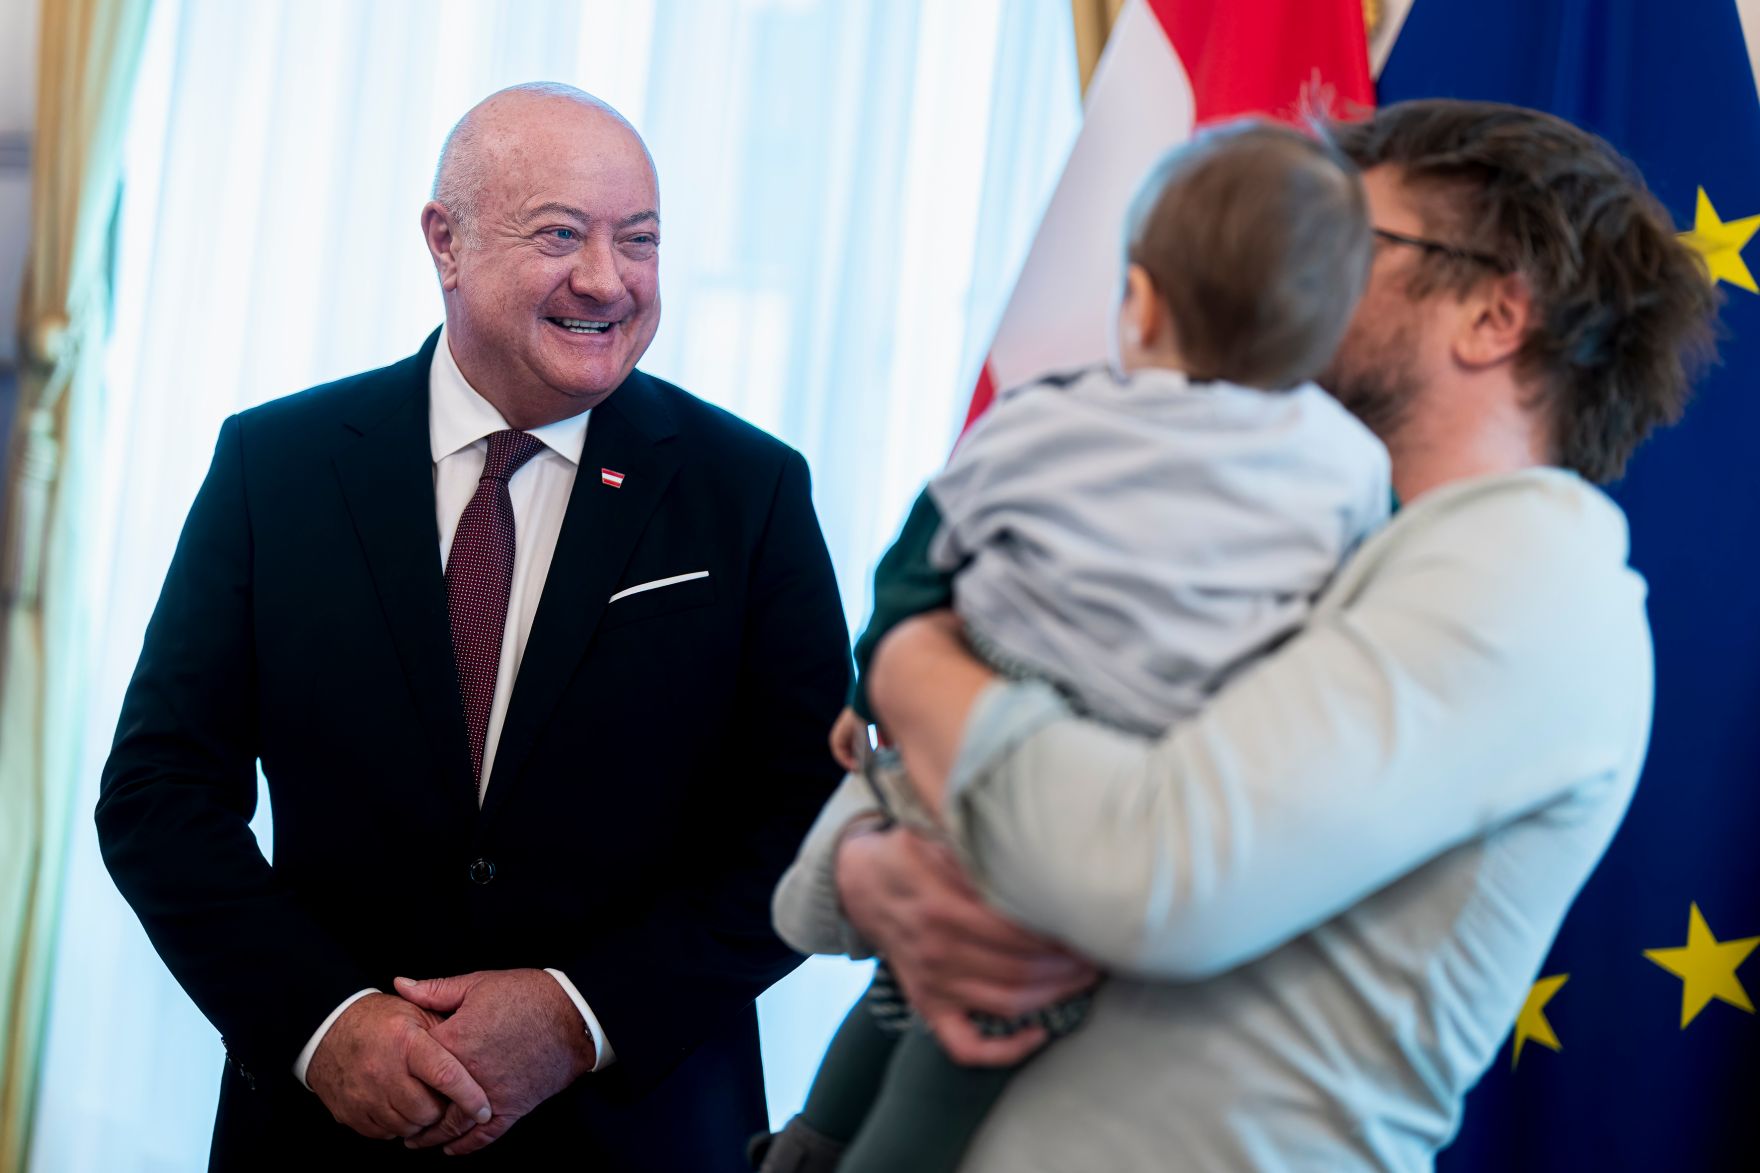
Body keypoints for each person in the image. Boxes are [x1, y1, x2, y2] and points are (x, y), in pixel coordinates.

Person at [773, 98, 1718, 1171]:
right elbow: (1035, 740)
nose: (1291, 268)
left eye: (1350, 242)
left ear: (1493, 318)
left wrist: (904, 658)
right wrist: (868, 867)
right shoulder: (1285, 533)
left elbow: (1151, 874)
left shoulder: (1527, 569)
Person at [96, 82, 850, 1170]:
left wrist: (576, 1014)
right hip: (325, 1130)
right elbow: (159, 794)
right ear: (444, 243)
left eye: (637, 241)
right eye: (560, 235)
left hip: (635, 1132)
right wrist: (325, 1026)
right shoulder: (279, 467)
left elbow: (809, 818)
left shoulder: (749, 491)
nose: (607, 279)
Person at [759, 121, 1388, 1173]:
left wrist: (879, 689)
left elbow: (916, 565)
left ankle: (805, 1148)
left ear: (1137, 302)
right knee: (964, 1025)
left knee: (908, 990)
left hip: (967, 731)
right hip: (1124, 778)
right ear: (1330, 333)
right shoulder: (1351, 468)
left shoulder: (1042, 416)